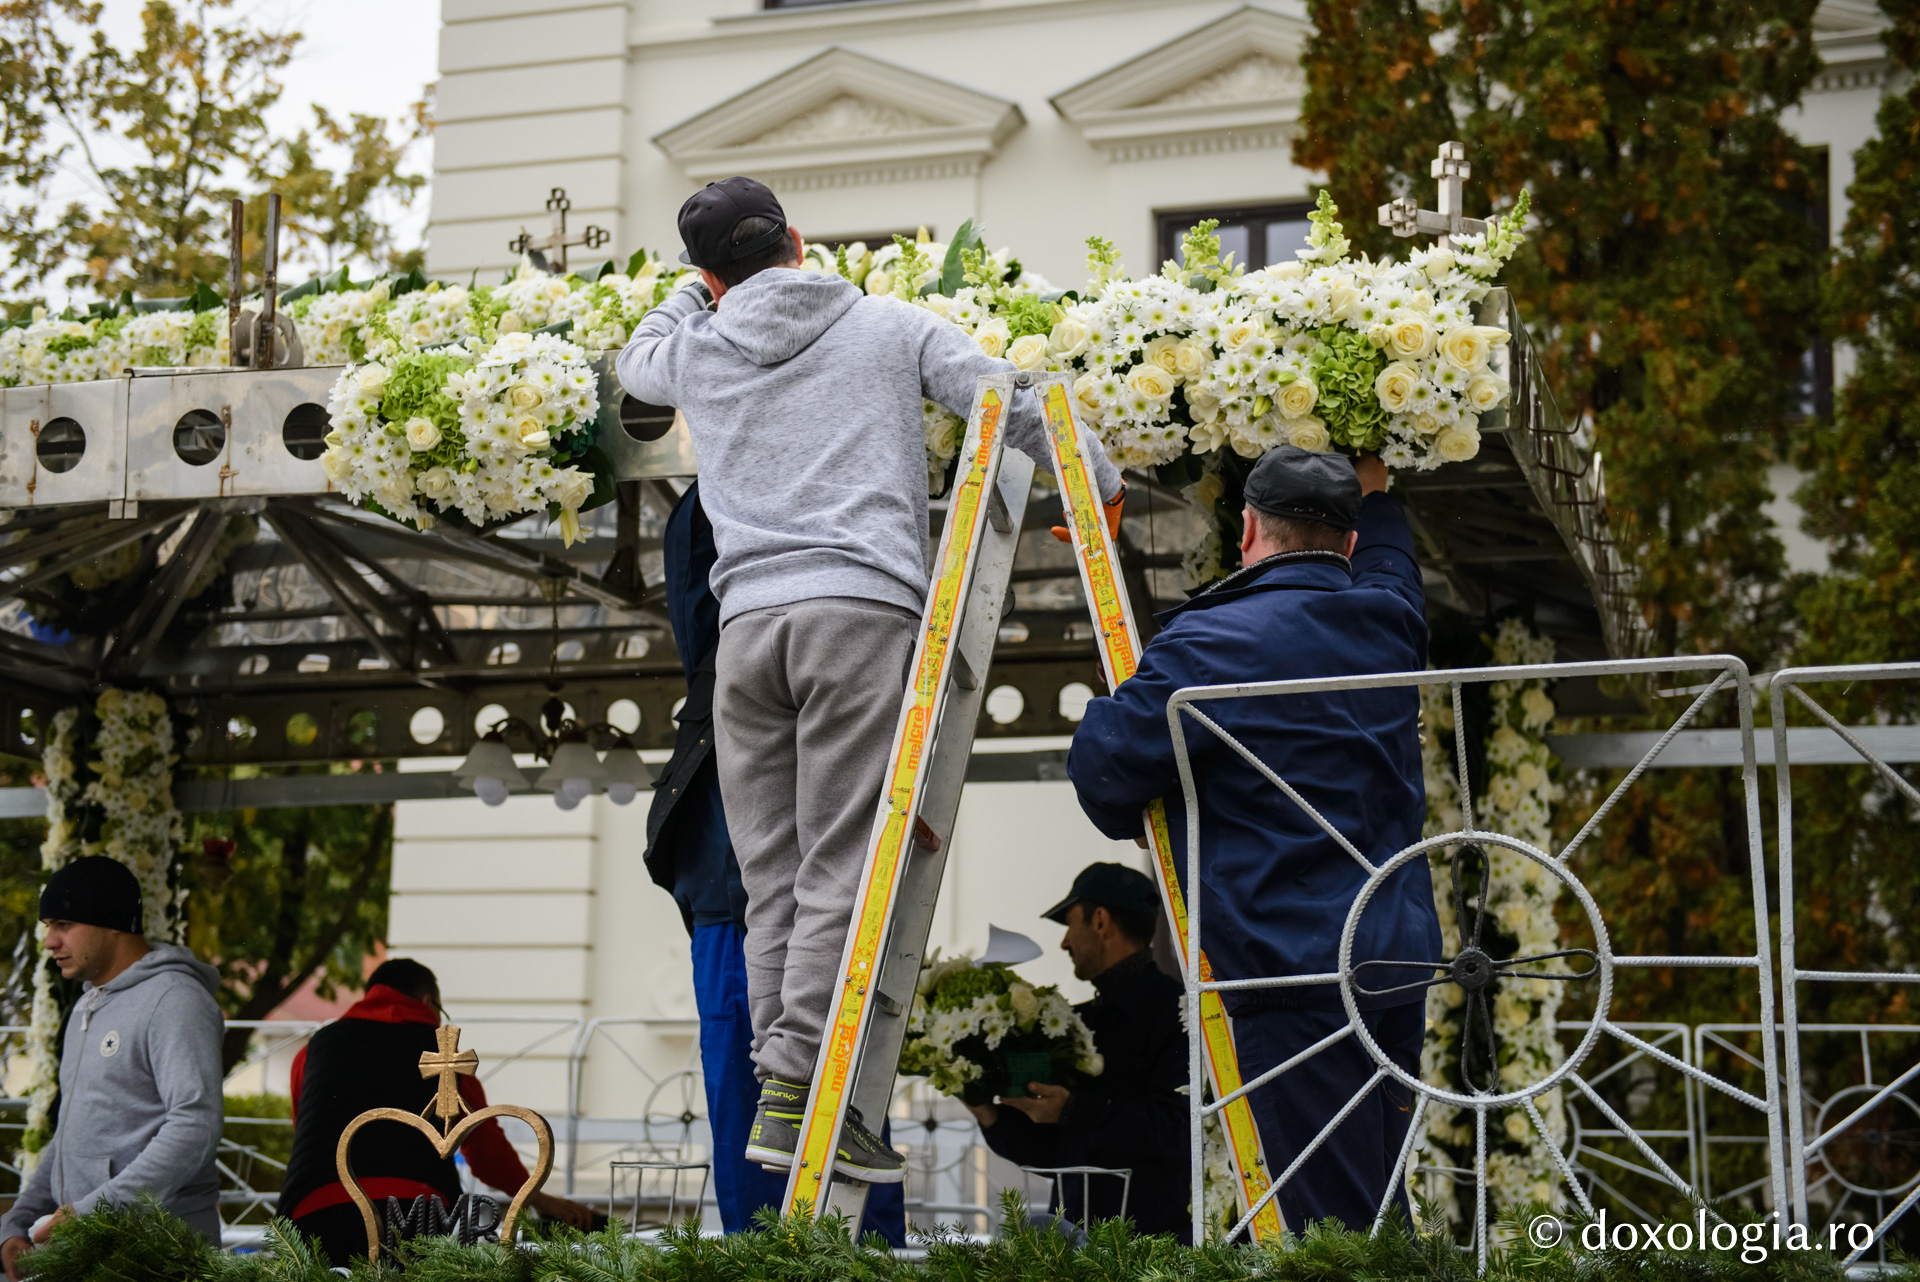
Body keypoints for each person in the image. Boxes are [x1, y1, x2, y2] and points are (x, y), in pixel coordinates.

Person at [617, 176, 1124, 1180]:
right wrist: (1094, 485)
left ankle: (782, 1092)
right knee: (845, 870)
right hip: (857, 611)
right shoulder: (890, 325)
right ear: (799, 243)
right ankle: (806, 1096)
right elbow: (1007, 398)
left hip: (749, 633)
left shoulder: (699, 348)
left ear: (711, 274)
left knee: (774, 882)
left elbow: (636, 359)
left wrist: (692, 297)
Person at [1066, 446, 1441, 1233]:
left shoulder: (1210, 644)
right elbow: (1390, 562)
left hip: (1293, 967)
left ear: (1245, 530)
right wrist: (1374, 497)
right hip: (1395, 959)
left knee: (1330, 1219)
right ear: (1343, 543)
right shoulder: (1387, 619)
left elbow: (1104, 770)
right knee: (1378, 1192)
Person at [645, 480, 905, 1242]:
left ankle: (848, 1249)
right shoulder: (723, 508)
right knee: (769, 1100)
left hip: (783, 878)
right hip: (744, 884)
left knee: (827, 1089)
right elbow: (701, 582)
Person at [278, 959, 597, 1265]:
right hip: (415, 1213)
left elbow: (307, 1135)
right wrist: (543, 1201)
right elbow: (487, 1150)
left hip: (313, 1212)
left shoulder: (313, 1050)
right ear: (427, 1000)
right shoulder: (444, 1057)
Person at [1, 856, 224, 1279]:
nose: (49, 941)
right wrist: (16, 1222)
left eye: (64, 924)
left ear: (113, 923)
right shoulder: (87, 1005)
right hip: (92, 1251)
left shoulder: (176, 1000)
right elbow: (69, 1134)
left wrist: (91, 1213)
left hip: (158, 1254)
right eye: (48, 925)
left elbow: (195, 1123)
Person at [966, 863, 1190, 1241]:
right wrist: (985, 1109)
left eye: (1070, 924)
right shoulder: (1079, 1019)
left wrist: (1074, 1110)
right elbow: (1059, 1154)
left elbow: (1181, 1131)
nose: (1064, 942)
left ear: (1101, 921)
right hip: (1073, 1251)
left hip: (1151, 1254)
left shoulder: (1177, 1013)